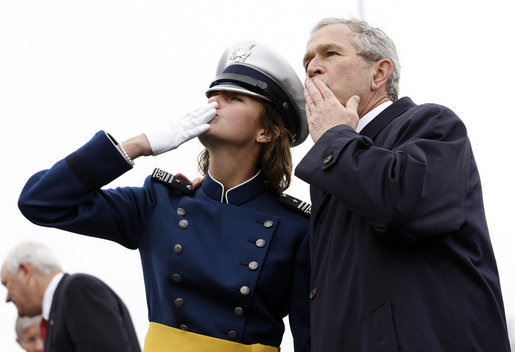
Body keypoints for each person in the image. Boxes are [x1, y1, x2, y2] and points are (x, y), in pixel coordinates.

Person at [17, 41, 311, 352]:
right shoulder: (159, 204)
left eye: (234, 98)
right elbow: (40, 201)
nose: (213, 104)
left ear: (265, 132)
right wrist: (138, 146)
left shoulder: (295, 228)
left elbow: (312, 340)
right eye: (212, 95)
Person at [295, 17, 510, 351]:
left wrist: (336, 138)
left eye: (330, 54)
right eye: (307, 61)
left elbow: (403, 205)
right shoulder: (332, 164)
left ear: (379, 74)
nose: (312, 68)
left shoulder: (432, 124)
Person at [1, 241, 141, 352]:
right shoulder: (57, 313)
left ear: (25, 272)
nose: (7, 298)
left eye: (7, 284)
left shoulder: (77, 289)